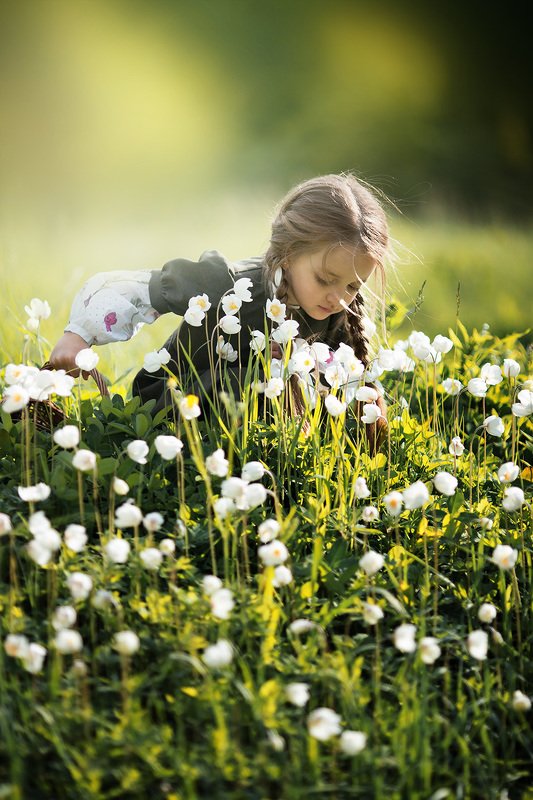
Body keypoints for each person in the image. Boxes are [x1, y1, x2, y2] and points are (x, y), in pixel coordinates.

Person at [49, 173, 389, 448]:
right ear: (289, 253)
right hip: (172, 406)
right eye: (325, 279)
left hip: (252, 426)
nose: (337, 298)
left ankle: (284, 458)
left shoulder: (339, 312)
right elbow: (138, 288)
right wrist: (77, 335)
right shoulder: (227, 286)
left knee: (303, 377)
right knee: (258, 377)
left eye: (352, 286)